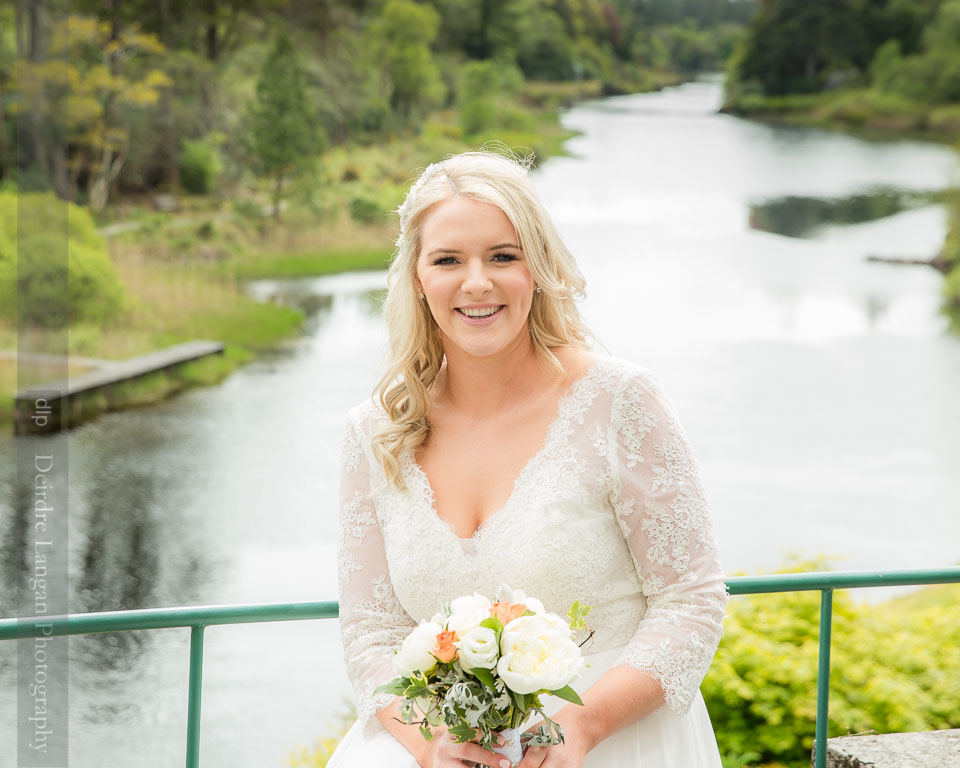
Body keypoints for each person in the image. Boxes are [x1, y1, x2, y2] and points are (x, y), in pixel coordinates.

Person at [328, 148, 728, 768]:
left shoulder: (620, 401)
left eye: (503, 256)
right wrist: (431, 743)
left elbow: (691, 602)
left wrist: (585, 725)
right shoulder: (374, 433)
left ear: (537, 268)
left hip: (614, 744)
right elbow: (370, 634)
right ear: (417, 277)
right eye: (448, 260)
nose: (478, 282)